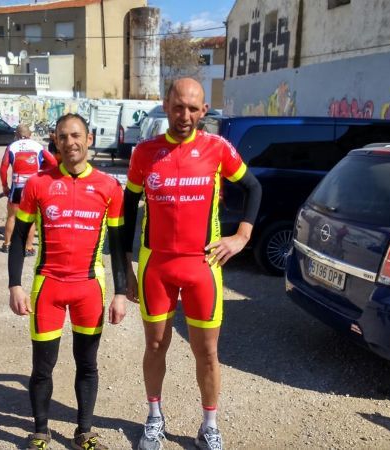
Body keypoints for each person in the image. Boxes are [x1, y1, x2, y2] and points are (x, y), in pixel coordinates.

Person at [123, 78, 262, 450]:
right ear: (166, 105)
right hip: (156, 267)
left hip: (203, 266)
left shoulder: (217, 148)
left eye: (192, 108)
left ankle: (209, 426)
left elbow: (253, 187)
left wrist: (241, 236)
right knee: (155, 346)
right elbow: (126, 209)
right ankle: (154, 418)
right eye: (178, 107)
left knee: (208, 352)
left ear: (203, 111)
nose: (184, 115)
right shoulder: (145, 152)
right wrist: (125, 268)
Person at [7, 113, 128, 450]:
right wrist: (14, 284)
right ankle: (40, 431)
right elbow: (19, 237)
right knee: (42, 366)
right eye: (63, 137)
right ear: (55, 143)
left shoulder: (108, 186)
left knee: (87, 364)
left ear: (89, 139)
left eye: (76, 136)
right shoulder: (38, 183)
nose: (70, 142)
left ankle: (84, 432)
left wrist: (120, 293)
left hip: (89, 288)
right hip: (48, 287)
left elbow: (119, 243)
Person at [0, 124, 57, 255]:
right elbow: (53, 163)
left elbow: (3, 169)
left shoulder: (11, 147)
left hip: (17, 186)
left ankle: (7, 245)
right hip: (33, 187)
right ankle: (28, 248)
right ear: (29, 134)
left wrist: (4, 186)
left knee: (11, 217)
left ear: (17, 135)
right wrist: (42, 172)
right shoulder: (38, 146)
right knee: (31, 219)